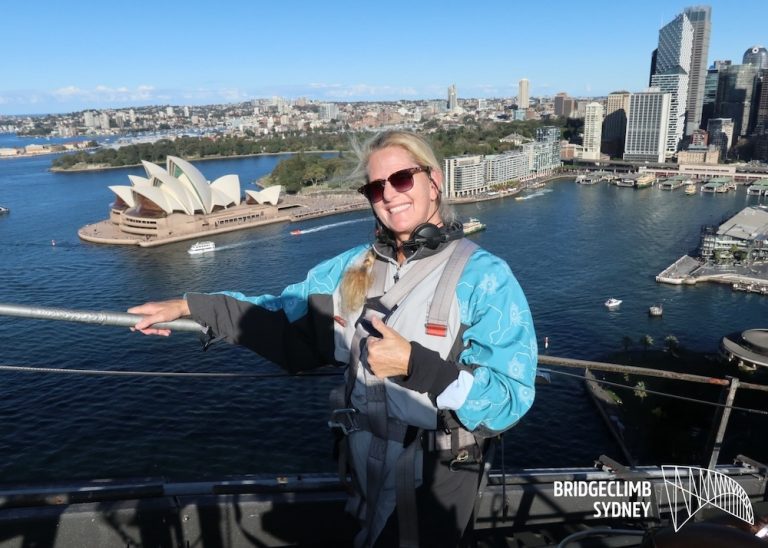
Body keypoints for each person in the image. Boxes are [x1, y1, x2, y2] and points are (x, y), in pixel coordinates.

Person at [129, 130, 538, 547]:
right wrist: (192, 307)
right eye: (375, 187)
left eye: (401, 179)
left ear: (433, 181)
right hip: (367, 469)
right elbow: (283, 312)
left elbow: (508, 399)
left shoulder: (484, 277)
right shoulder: (352, 269)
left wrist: (417, 367)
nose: (389, 195)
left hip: (436, 477)